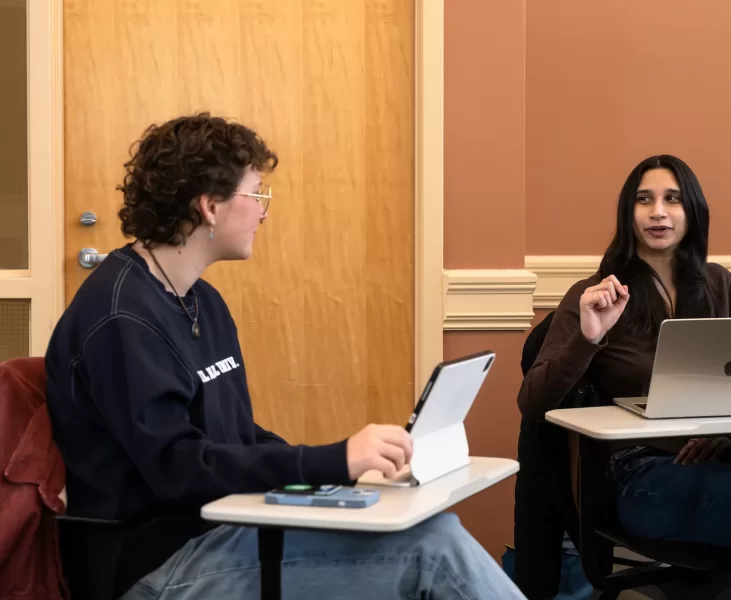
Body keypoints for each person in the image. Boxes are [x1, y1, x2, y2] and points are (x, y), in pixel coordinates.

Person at [45, 112, 525, 600]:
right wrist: (332, 462)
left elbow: (238, 439)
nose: (263, 212)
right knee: (432, 550)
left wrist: (350, 473)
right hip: (153, 566)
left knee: (422, 530)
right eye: (256, 195)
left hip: (222, 532)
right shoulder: (120, 318)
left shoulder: (202, 302)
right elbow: (180, 467)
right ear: (210, 206)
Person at [517, 155, 731, 600]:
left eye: (672, 199)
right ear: (628, 213)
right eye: (645, 200)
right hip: (643, 469)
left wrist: (727, 437)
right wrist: (588, 337)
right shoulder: (594, 293)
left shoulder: (719, 285)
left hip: (727, 455)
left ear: (691, 210)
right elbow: (533, 403)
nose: (658, 211)